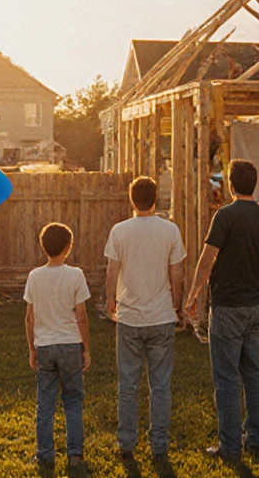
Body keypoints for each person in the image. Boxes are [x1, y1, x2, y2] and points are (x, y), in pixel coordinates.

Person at [185, 159, 259, 460]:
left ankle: (229, 446)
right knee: (252, 373)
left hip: (227, 307)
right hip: (253, 306)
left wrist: (194, 294)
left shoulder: (224, 216)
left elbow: (207, 259)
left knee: (225, 378)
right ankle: (256, 440)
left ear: (231, 185)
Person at [104, 176, 186, 462]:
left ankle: (127, 444)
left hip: (129, 318)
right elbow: (177, 274)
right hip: (161, 316)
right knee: (160, 385)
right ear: (156, 200)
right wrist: (177, 305)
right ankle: (159, 447)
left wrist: (109, 300)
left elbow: (112, 272)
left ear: (131, 199)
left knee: (128, 385)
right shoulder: (170, 230)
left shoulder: (119, 231)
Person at [24, 222, 91, 468]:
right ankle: (75, 455)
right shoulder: (75, 275)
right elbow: (81, 316)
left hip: (45, 347)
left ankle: (45, 455)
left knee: (46, 402)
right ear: (68, 247)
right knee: (73, 399)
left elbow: (29, 317)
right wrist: (87, 348)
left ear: (44, 247)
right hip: (71, 345)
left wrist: (32, 348)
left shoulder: (34, 277)